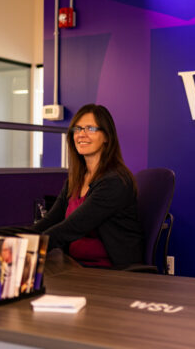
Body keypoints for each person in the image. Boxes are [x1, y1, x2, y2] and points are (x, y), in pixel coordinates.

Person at [31, 104, 144, 268]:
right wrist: (8, 239)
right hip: (74, 265)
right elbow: (49, 221)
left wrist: (25, 250)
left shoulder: (115, 181)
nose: (81, 134)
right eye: (77, 129)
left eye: (90, 128)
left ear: (107, 137)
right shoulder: (75, 180)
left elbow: (71, 227)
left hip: (109, 272)